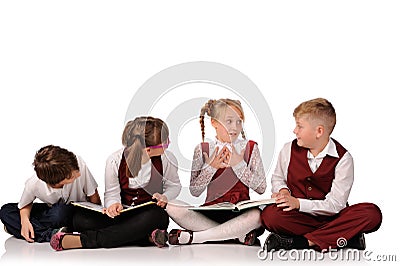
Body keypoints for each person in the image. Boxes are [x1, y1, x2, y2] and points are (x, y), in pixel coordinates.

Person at [261, 98, 382, 252]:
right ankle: (346, 237)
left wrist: (298, 203)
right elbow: (278, 178)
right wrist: (283, 191)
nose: (294, 131)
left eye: (300, 126)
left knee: (372, 214)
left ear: (319, 131)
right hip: (300, 217)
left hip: (333, 216)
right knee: (270, 216)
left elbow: (335, 205)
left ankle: (304, 242)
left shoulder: (344, 159)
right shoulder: (288, 149)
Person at [50, 116, 181, 250]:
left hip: (146, 216)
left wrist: (165, 197)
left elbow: (174, 186)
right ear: (148, 150)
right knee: (81, 219)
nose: (168, 144)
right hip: (122, 216)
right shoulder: (114, 160)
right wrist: (113, 205)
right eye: (166, 143)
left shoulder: (167, 159)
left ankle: (84, 241)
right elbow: (111, 193)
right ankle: (144, 237)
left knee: (158, 216)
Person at [165, 98, 267, 245]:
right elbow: (195, 191)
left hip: (240, 213)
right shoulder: (202, 149)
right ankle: (237, 235)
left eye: (239, 121)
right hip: (211, 214)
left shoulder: (250, 147)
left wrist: (238, 164)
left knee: (257, 215)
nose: (235, 127)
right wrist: (212, 167)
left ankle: (197, 237)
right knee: (172, 205)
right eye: (229, 121)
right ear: (214, 123)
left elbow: (261, 188)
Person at [0, 145, 101, 243]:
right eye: (71, 176)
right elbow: (25, 205)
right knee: (6, 210)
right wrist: (24, 222)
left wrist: (99, 216)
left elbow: (93, 195)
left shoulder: (78, 164)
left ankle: (14, 227)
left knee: (61, 212)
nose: (78, 174)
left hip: (75, 213)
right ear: (56, 183)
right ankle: (51, 234)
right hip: (53, 213)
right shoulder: (33, 184)